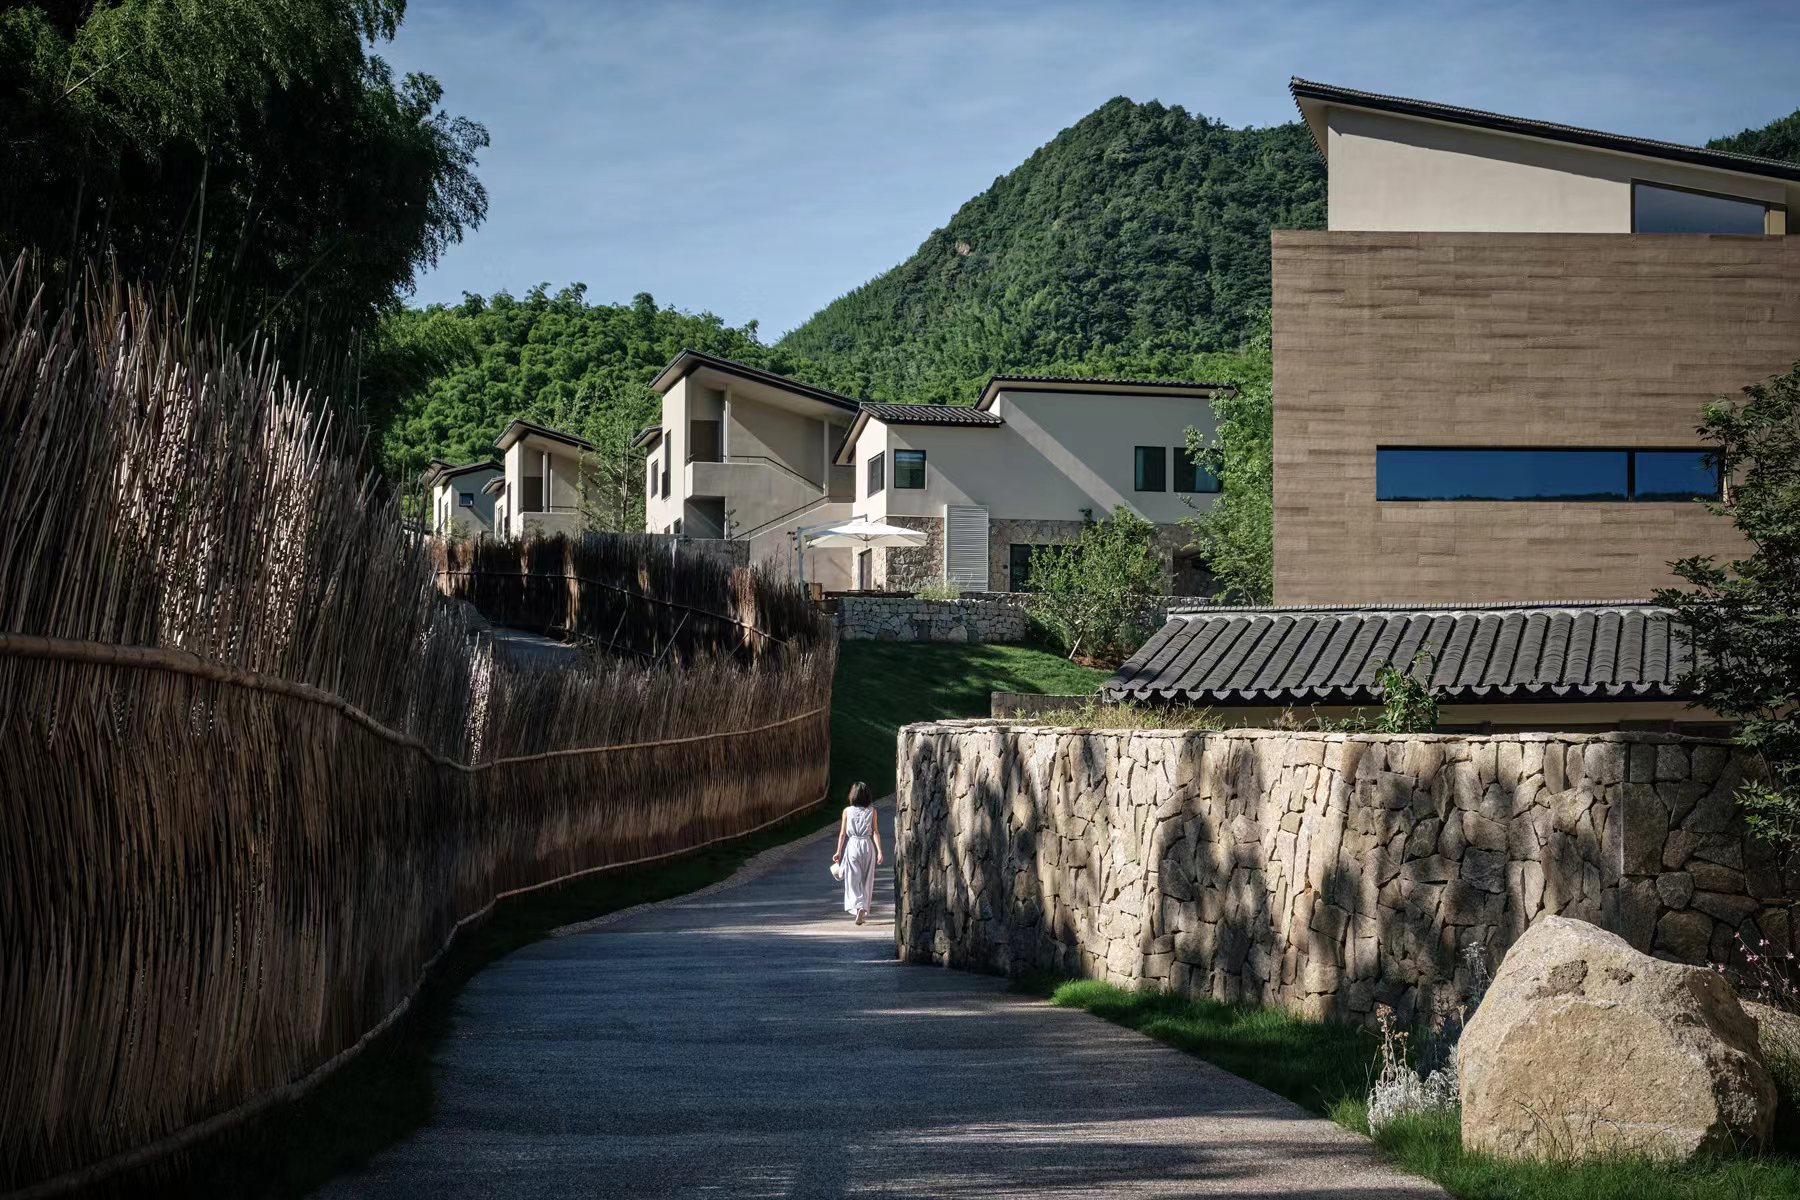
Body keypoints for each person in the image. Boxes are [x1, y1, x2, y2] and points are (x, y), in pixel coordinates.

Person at [831, 781, 882, 924]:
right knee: (867, 879)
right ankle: (863, 907)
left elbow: (842, 834)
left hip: (853, 845)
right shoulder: (872, 811)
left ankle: (858, 905)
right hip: (867, 846)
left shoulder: (847, 811)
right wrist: (879, 851)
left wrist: (838, 852)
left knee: (853, 880)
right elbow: (876, 832)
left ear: (852, 795)